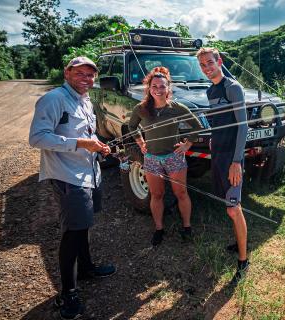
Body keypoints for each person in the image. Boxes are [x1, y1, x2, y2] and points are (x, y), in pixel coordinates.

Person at [28, 56, 116, 319]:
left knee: (84, 225)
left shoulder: (86, 100)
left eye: (91, 75)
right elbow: (37, 137)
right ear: (67, 73)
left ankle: (87, 268)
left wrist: (98, 146)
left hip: (89, 172)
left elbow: (87, 134)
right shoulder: (53, 99)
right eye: (80, 74)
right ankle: (67, 292)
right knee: (73, 232)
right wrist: (80, 144)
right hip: (68, 176)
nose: (86, 79)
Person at [128, 66, 204, 246]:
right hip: (152, 159)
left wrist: (187, 144)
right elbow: (132, 127)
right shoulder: (141, 108)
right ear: (148, 87)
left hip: (174, 157)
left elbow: (198, 126)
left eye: (162, 86)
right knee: (157, 194)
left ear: (168, 88)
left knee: (181, 193)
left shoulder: (177, 108)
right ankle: (159, 229)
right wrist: (141, 143)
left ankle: (186, 227)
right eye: (154, 86)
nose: (158, 90)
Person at [196, 47, 250, 282]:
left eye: (210, 63)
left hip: (231, 157)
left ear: (220, 61)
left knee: (232, 208)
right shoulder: (211, 90)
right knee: (228, 205)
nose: (207, 68)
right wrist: (211, 140)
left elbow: (243, 126)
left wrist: (236, 161)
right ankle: (238, 243)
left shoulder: (232, 87)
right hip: (217, 153)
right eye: (203, 65)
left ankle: (243, 260)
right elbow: (219, 122)